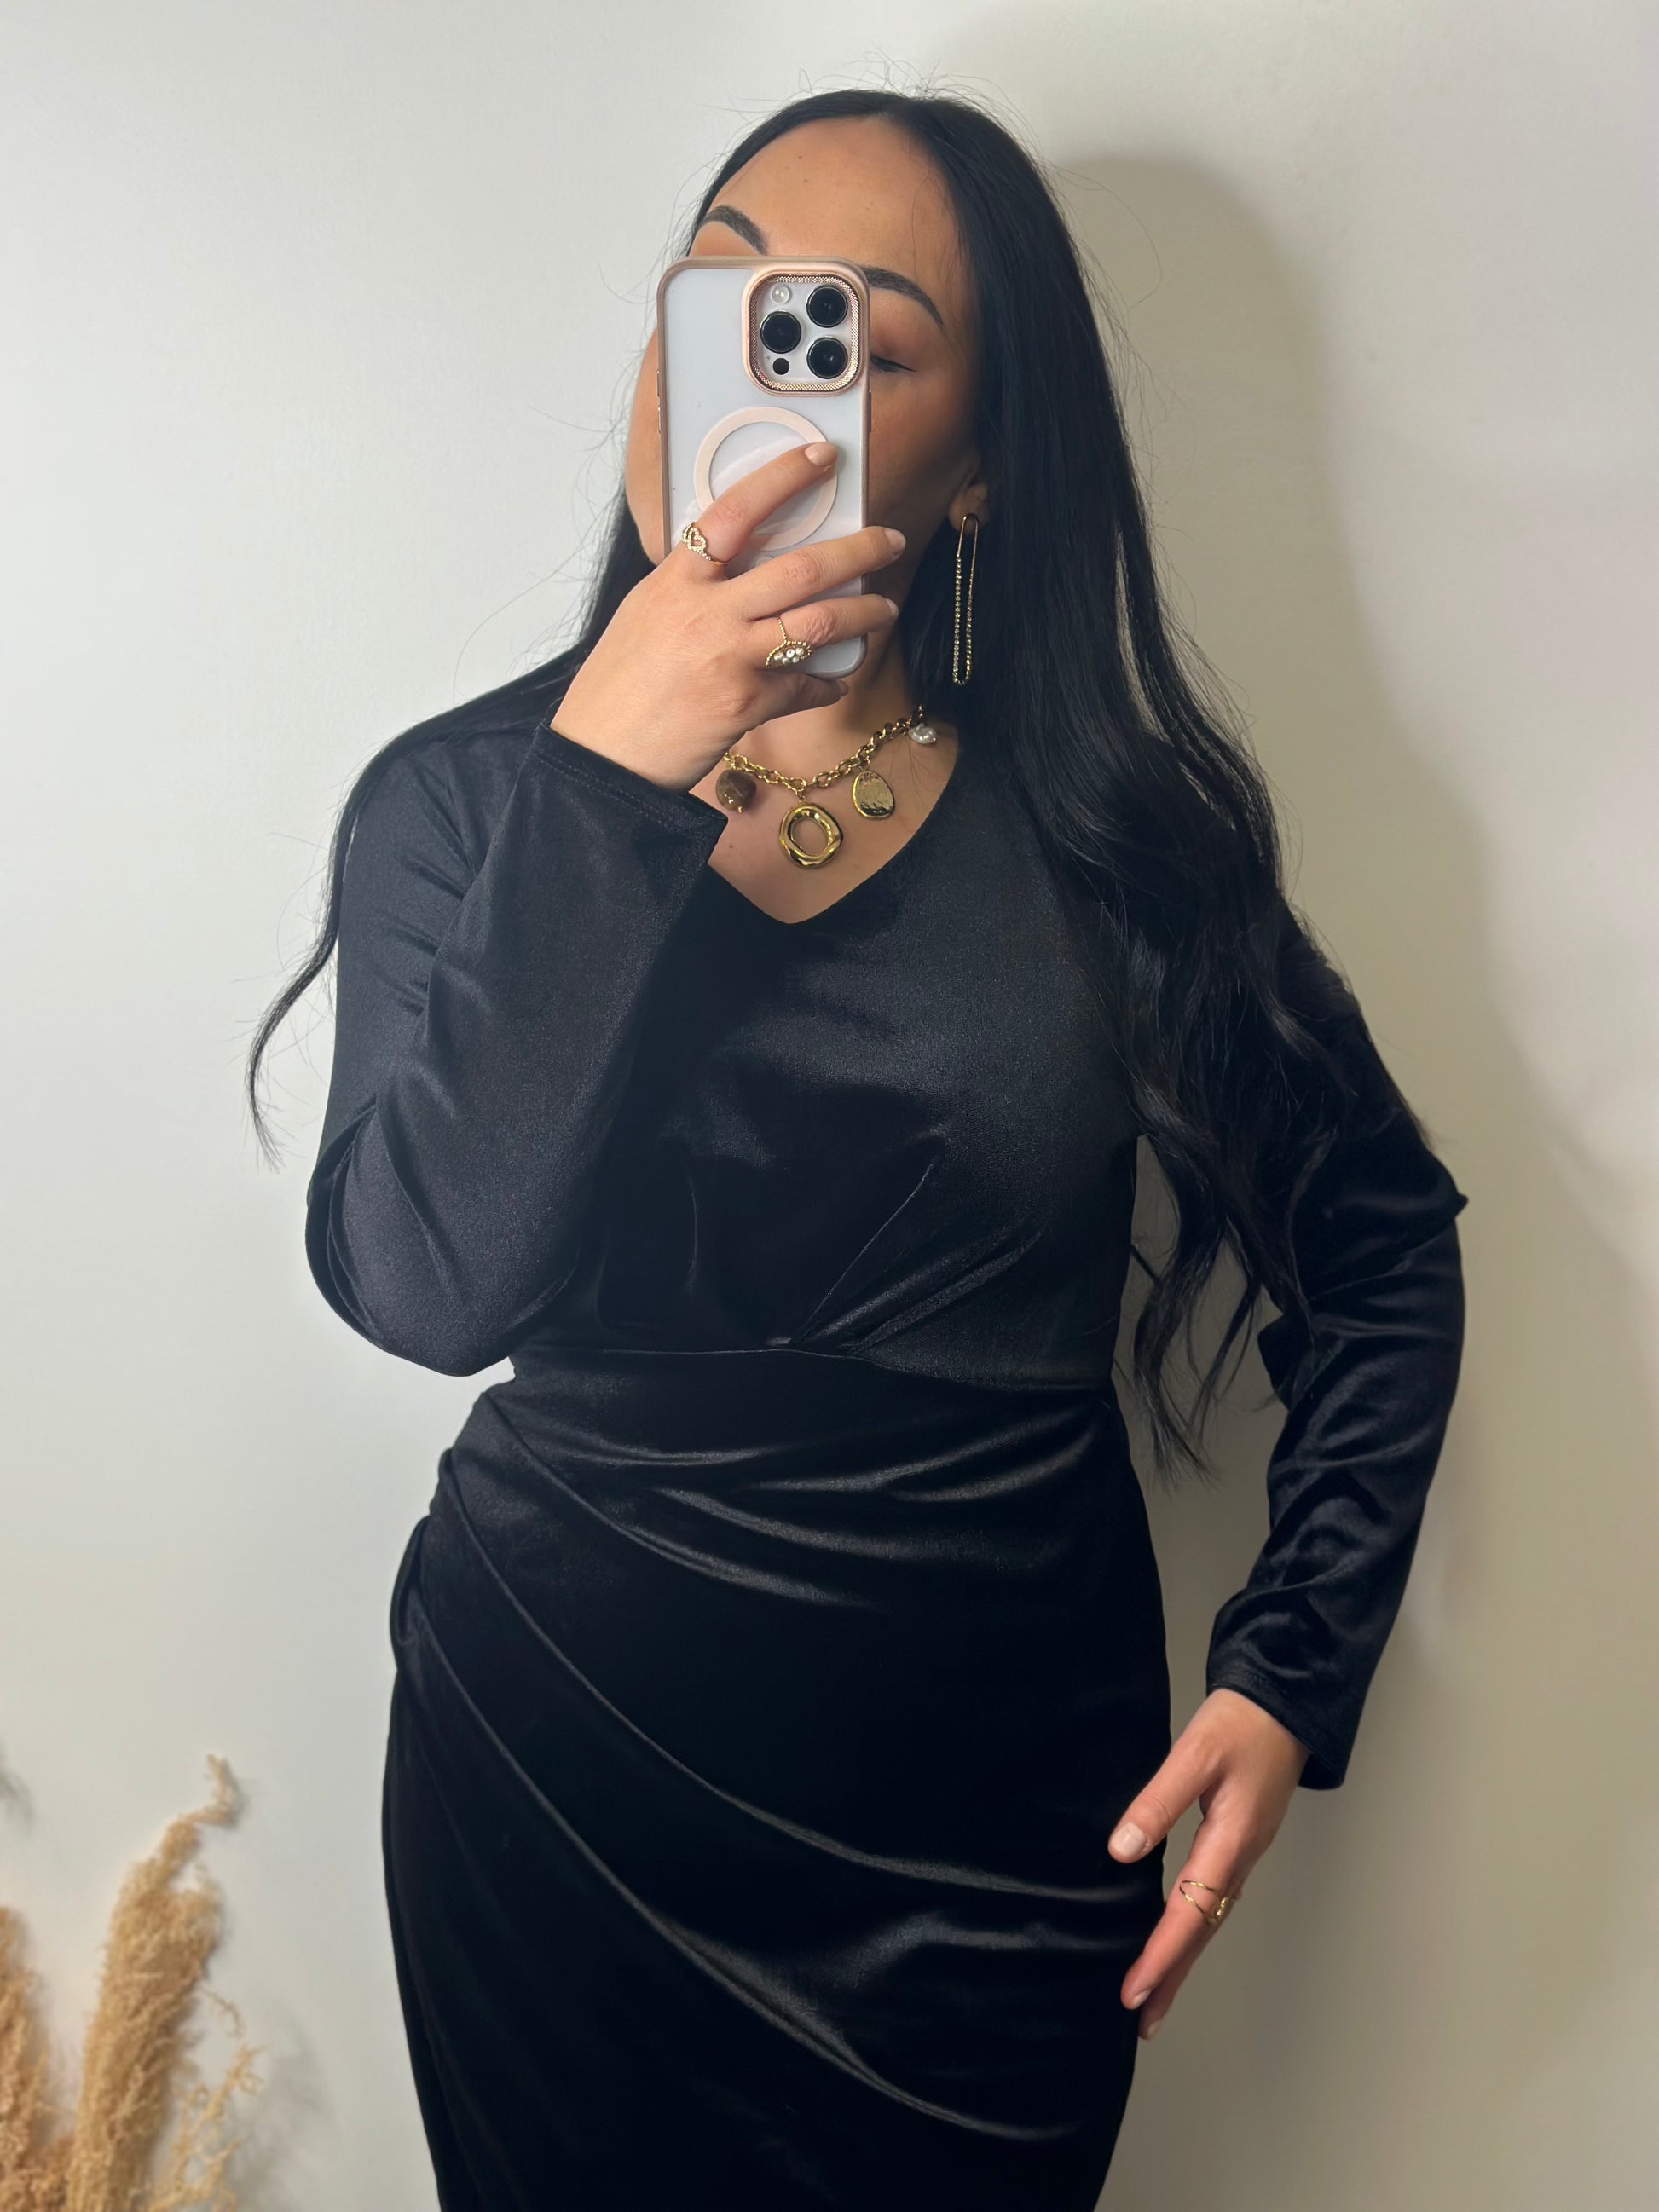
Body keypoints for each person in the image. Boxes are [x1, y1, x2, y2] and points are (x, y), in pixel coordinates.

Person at [247, 85, 1468, 2212]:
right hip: (558, 1796)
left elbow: (1376, 1246)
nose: (755, 358)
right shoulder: (460, 807)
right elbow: (430, 1283)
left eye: (853, 339)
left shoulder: (1113, 845)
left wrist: (1293, 1667)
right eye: (715, 287)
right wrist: (607, 779)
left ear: (977, 464)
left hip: (988, 1846)